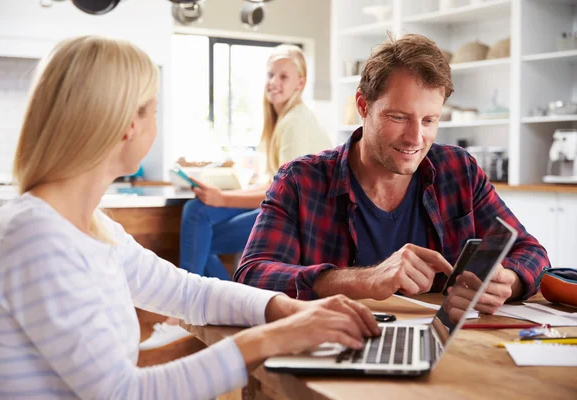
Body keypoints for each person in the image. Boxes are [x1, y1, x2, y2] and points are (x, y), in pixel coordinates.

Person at [0, 36, 379, 400]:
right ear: (127, 125)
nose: (156, 120)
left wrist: (289, 308)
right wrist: (276, 337)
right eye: (153, 109)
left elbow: (191, 293)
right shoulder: (33, 235)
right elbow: (123, 393)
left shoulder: (91, 227)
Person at [234, 33, 550, 315]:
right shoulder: (300, 181)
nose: (415, 139)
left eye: (429, 121)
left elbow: (531, 252)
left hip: (446, 356)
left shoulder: (459, 171)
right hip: (333, 353)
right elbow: (252, 277)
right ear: (363, 104)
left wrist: (510, 280)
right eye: (399, 117)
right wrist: (364, 279)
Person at [140, 44, 333, 350]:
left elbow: (284, 192)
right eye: (271, 74)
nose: (274, 81)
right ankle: (229, 307)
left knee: (200, 225)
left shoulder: (295, 122)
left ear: (301, 83)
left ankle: (182, 312)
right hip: (289, 209)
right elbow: (276, 180)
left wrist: (223, 198)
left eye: (284, 76)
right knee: (199, 221)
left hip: (299, 220)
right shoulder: (282, 120)